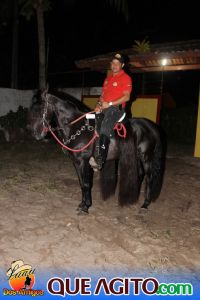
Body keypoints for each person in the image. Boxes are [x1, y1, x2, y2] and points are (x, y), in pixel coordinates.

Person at [89, 53, 132, 170]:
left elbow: (126, 97)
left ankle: (100, 160)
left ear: (122, 65)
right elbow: (102, 96)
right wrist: (98, 105)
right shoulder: (107, 79)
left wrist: (110, 103)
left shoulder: (126, 78)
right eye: (113, 63)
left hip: (116, 109)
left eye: (117, 63)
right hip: (105, 108)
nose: (114, 65)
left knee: (105, 127)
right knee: (89, 121)